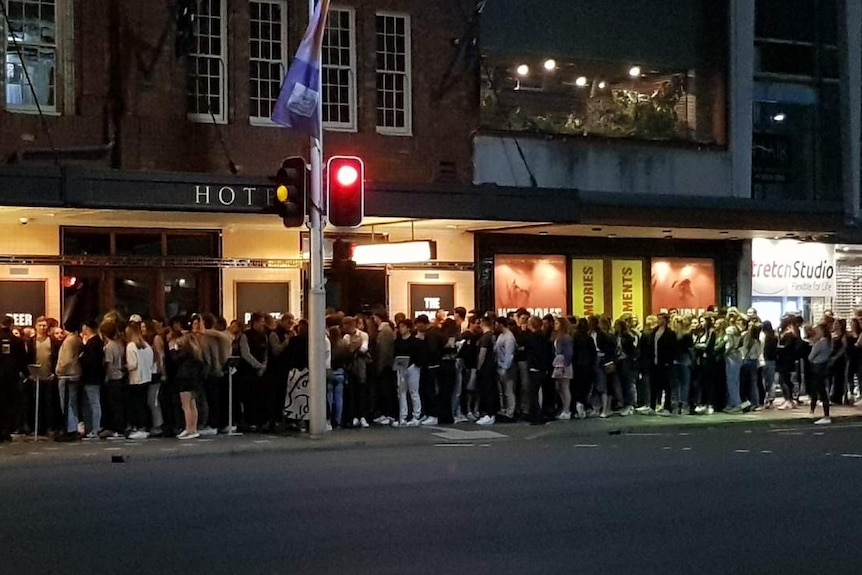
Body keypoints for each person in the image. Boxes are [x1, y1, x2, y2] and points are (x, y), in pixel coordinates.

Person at [125, 322, 155, 439]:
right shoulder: (147, 345)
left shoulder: (131, 346)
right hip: (147, 377)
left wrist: (126, 366)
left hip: (136, 378)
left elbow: (133, 364)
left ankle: (139, 427)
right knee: (144, 403)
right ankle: (146, 426)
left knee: (137, 404)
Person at [0, 317, 28, 442]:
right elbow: (23, 359)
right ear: (12, 325)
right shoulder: (17, 341)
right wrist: (26, 373)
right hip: (12, 376)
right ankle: (7, 431)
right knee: (11, 404)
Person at [55, 320, 83, 440]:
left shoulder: (68, 341)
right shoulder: (78, 339)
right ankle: (75, 427)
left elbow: (65, 360)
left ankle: (70, 429)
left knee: (66, 403)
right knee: (73, 402)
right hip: (76, 373)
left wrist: (58, 370)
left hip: (67, 374)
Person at [391, 318, 422, 427]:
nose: (400, 329)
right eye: (400, 327)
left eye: (403, 326)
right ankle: (402, 416)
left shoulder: (416, 341)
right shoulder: (397, 342)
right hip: (401, 368)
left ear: (408, 328)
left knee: (414, 392)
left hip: (413, 367)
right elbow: (394, 354)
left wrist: (416, 364)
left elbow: (419, 355)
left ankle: (416, 415)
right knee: (402, 393)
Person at [99, 321, 126, 439]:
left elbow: (109, 364)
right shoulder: (119, 345)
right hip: (120, 375)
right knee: (119, 404)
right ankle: (121, 427)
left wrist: (107, 377)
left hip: (113, 377)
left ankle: (116, 429)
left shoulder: (109, 347)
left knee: (113, 405)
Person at [78, 320, 104, 439]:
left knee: (94, 403)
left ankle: (95, 428)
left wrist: (82, 356)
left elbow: (89, 360)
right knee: (91, 403)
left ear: (86, 327)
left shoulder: (92, 343)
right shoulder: (98, 341)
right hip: (94, 376)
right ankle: (92, 428)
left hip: (91, 377)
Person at [494, 317, 517, 421]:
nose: (495, 326)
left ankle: (510, 412)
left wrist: (505, 367)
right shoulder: (501, 336)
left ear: (501, 324)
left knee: (508, 390)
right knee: (502, 391)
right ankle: (504, 409)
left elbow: (509, 354)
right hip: (499, 365)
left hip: (507, 367)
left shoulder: (509, 338)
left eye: (496, 324)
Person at [808, 324, 832, 425]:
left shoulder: (820, 343)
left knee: (819, 391)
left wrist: (813, 344)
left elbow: (810, 357)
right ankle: (812, 411)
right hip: (823, 368)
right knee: (818, 390)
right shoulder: (828, 342)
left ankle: (825, 416)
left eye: (817, 331)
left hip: (817, 368)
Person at [475, 317, 497, 425]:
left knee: (486, 390)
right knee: (490, 390)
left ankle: (489, 414)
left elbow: (482, 353)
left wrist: (478, 366)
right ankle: (490, 413)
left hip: (485, 368)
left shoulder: (485, 337)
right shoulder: (492, 336)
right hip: (491, 366)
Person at [552, 316, 574, 420]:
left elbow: (569, 353)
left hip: (564, 364)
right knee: (558, 387)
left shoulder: (566, 337)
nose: (554, 325)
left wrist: (566, 364)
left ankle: (567, 410)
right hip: (558, 363)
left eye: (557, 323)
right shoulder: (558, 337)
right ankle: (564, 407)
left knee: (565, 387)